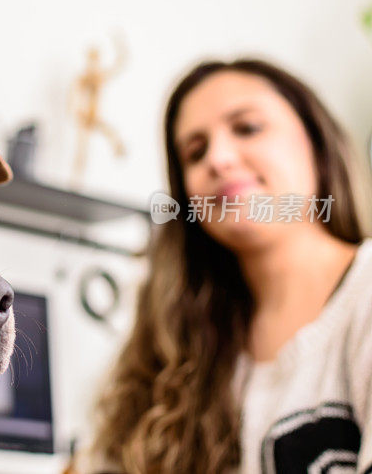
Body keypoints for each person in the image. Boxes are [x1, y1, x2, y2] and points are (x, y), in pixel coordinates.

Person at [74, 58, 372, 473]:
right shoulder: (177, 346)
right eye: (195, 153)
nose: (218, 158)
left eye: (247, 128)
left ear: (317, 143)